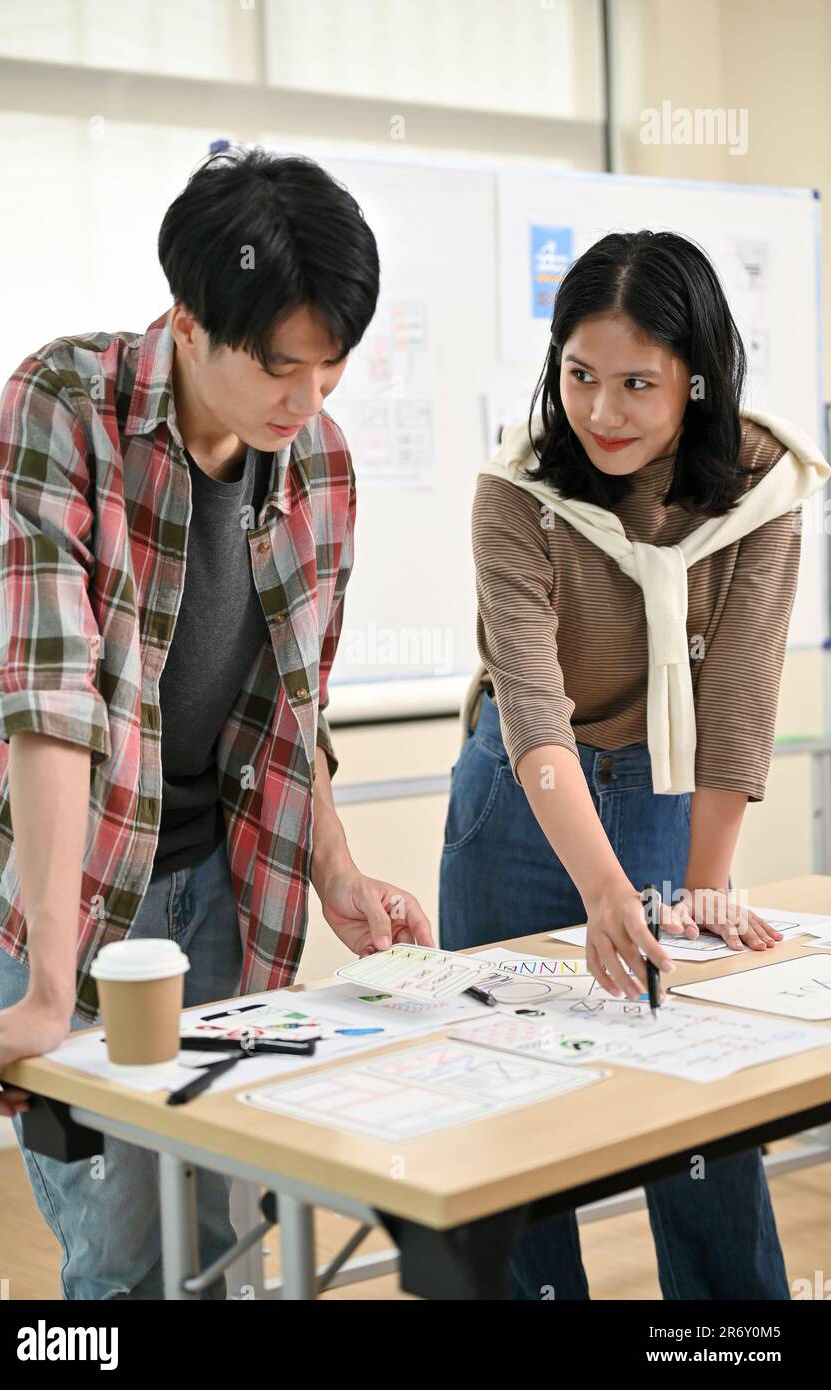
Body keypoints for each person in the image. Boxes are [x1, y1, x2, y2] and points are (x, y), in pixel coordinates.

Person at [0, 144, 433, 1299]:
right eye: (282, 366)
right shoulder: (63, 403)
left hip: (223, 879)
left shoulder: (317, 462)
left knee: (226, 1216)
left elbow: (293, 711)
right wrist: (46, 985)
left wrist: (339, 872)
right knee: (126, 1245)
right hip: (70, 875)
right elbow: (48, 697)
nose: (309, 399)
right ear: (186, 319)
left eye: (332, 366)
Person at [439, 228, 829, 1300]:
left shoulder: (758, 487)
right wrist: (607, 889)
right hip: (522, 800)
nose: (601, 411)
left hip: (668, 787)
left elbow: (738, 701)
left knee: (698, 1115)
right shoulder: (515, 493)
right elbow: (535, 714)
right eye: (578, 375)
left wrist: (703, 882)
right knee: (507, 1109)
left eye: (637, 384)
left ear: (696, 383)